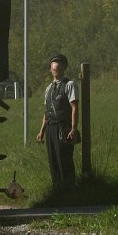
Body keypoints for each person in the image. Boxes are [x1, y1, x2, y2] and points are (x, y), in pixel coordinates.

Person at [36, 53, 78, 187]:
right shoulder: (48, 89)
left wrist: (73, 129)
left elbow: (74, 107)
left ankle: (69, 189)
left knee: (64, 159)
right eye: (54, 63)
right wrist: (41, 131)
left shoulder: (69, 84)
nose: (56, 65)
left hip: (63, 127)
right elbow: (46, 112)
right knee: (53, 159)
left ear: (64, 66)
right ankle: (57, 189)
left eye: (59, 63)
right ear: (50, 68)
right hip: (50, 128)